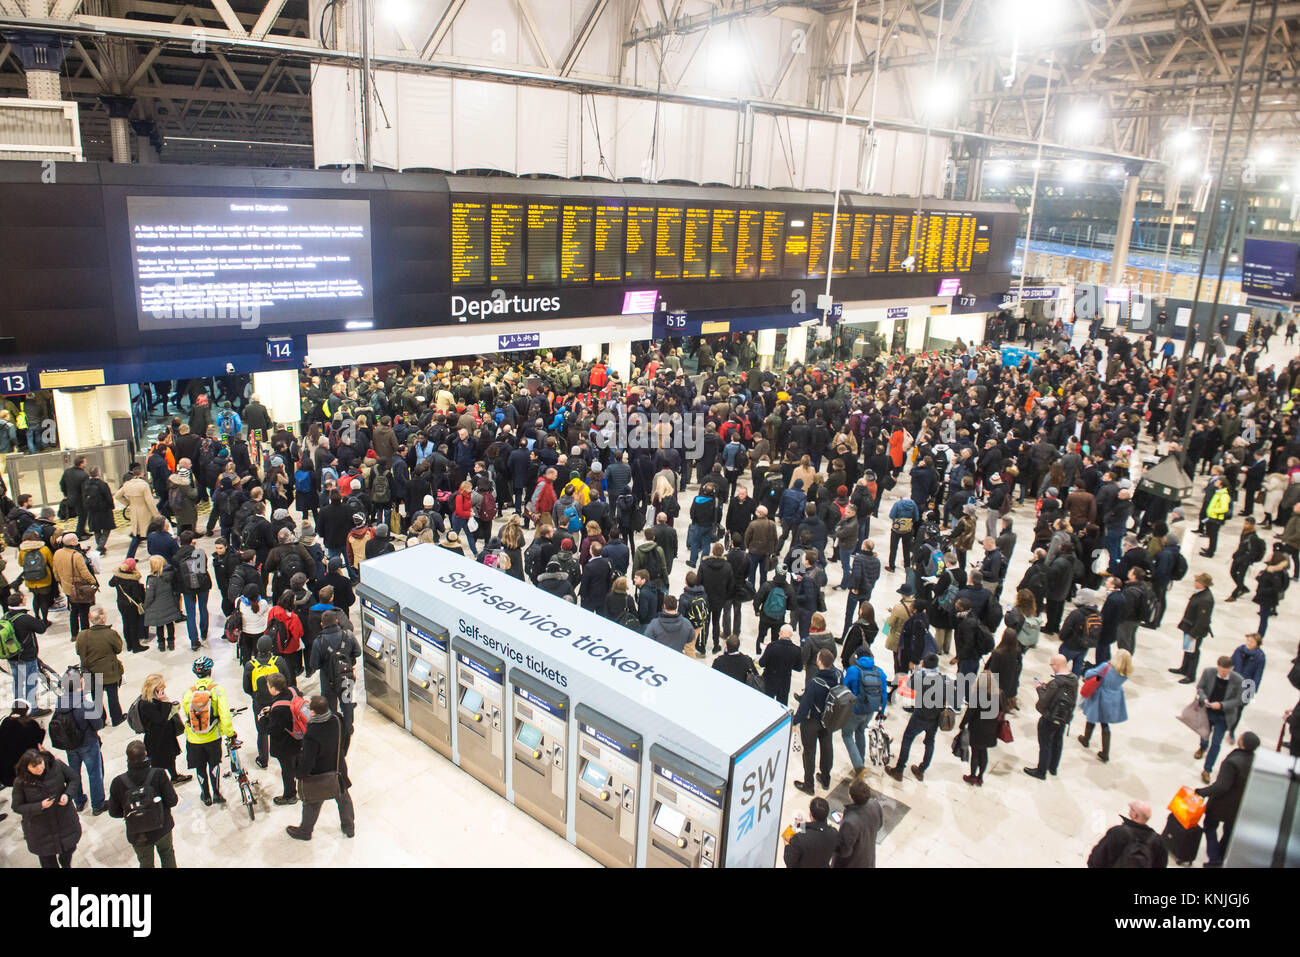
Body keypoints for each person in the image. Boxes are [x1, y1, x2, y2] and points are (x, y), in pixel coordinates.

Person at [285, 695, 355, 841]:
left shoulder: (312, 733)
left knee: (312, 803)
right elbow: (347, 737)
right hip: (338, 768)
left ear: (313, 712)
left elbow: (308, 760)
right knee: (343, 798)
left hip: (320, 774)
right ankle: (349, 827)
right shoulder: (337, 719)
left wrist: (300, 774)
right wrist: (341, 754)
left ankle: (305, 831)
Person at [106, 739, 180, 868]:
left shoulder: (118, 782)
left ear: (127, 758)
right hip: (162, 827)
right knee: (167, 854)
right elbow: (172, 801)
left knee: (145, 863)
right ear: (145, 754)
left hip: (138, 833)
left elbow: (113, 812)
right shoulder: (159, 774)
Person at [1195, 731, 1259, 866]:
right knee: (1229, 832)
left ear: (1242, 743)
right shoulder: (1255, 762)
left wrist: (1202, 792)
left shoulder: (1233, 762)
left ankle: (1214, 859)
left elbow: (1222, 786)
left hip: (1222, 804)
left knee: (1210, 826)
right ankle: (1221, 856)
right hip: (1239, 806)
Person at [11, 747, 82, 868]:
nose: (39, 768)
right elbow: (17, 806)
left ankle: (65, 864)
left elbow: (73, 778)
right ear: (26, 767)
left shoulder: (57, 765)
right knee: (48, 862)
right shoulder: (20, 782)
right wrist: (40, 806)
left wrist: (67, 794)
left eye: (40, 763)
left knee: (69, 849)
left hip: (64, 820)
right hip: (40, 829)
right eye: (34, 766)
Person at [887, 654, 951, 783]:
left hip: (920, 715)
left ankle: (899, 770)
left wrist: (918, 670)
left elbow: (909, 686)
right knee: (930, 742)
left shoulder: (921, 677)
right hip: (935, 717)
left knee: (908, 738)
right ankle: (921, 770)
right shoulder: (944, 679)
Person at [181, 656, 236, 805]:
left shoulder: (188, 692)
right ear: (210, 671)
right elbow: (224, 714)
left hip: (193, 739)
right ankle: (217, 793)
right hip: (212, 736)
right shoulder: (217, 690)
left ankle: (206, 795)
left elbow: (187, 714)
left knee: (200, 767)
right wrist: (229, 733)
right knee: (214, 765)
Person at [51, 669, 107, 814]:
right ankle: (98, 804)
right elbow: (99, 725)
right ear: (80, 684)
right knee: (94, 773)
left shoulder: (59, 703)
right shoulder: (86, 705)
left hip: (70, 745)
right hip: (88, 744)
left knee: (74, 774)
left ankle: (79, 802)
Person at [1024, 653, 1079, 780]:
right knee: (1058, 742)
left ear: (1057, 665)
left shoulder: (1056, 683)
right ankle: (1053, 767)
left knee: (1045, 745)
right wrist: (1047, 687)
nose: (1051, 667)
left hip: (1050, 718)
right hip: (1063, 717)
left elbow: (1043, 702)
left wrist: (1039, 688)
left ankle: (1041, 771)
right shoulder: (1073, 680)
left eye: (1052, 665)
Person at [792, 648, 840, 794]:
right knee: (827, 748)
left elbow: (805, 705)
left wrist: (795, 721)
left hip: (813, 721)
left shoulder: (815, 683)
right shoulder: (838, 675)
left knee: (809, 752)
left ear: (819, 661)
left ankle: (809, 784)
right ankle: (826, 778)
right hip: (829, 718)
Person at [243, 634, 293, 770]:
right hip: (279, 701)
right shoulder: (279, 661)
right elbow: (288, 680)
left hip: (259, 703)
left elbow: (246, 688)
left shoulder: (250, 665)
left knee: (262, 731)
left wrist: (256, 695)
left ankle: (263, 759)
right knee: (282, 728)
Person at [308, 610, 361, 737]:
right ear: (336, 621)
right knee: (347, 704)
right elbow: (358, 652)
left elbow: (314, 665)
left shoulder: (318, 642)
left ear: (322, 624)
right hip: (346, 676)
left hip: (328, 680)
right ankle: (348, 729)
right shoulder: (348, 635)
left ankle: (333, 731)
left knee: (330, 706)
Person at [1195, 656, 1245, 783]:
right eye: (1220, 670)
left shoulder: (1238, 680)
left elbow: (1239, 700)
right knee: (1204, 734)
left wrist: (1222, 705)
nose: (1222, 674)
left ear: (1231, 669)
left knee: (1216, 743)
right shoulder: (1209, 672)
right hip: (1207, 711)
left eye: (1225, 671)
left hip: (1223, 716)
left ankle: (1207, 769)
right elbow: (1200, 687)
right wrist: (1204, 698)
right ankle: (1202, 747)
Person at [1077, 648, 1132, 763]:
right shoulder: (1126, 672)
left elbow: (1089, 673)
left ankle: (1086, 739)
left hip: (1100, 696)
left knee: (1091, 717)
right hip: (1114, 698)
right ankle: (1105, 752)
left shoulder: (1106, 667)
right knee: (1104, 723)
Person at [74, 606, 126, 727]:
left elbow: (78, 651)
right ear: (103, 619)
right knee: (113, 696)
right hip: (109, 672)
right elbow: (118, 649)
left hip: (90, 673)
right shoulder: (110, 634)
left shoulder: (82, 635)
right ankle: (116, 718)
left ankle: (100, 721)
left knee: (96, 698)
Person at [841, 647, 888, 777]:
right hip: (871, 710)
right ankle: (860, 761)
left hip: (856, 710)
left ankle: (859, 766)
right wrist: (881, 711)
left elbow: (844, 689)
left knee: (847, 735)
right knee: (860, 731)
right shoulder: (880, 672)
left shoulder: (853, 671)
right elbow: (884, 693)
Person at [136, 673, 190, 784]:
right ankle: (160, 783)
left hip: (166, 736)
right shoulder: (146, 703)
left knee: (170, 758)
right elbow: (159, 719)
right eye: (162, 685)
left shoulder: (155, 699)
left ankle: (174, 776)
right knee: (158, 763)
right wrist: (165, 701)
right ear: (155, 688)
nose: (164, 687)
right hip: (156, 740)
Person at [3, 591, 50, 712]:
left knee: (17, 683)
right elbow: (41, 628)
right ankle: (32, 709)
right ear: (20, 603)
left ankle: (18, 707)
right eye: (23, 599)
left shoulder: (5, 616)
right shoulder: (24, 618)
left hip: (12, 656)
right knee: (31, 683)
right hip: (26, 657)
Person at [1086, 800, 1168, 868]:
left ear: (1135, 815)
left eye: (1131, 809)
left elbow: (1096, 860)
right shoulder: (1158, 841)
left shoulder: (1118, 832)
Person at [263, 672, 302, 806]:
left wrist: (264, 719)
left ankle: (290, 795)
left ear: (273, 689)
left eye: (268, 686)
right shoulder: (293, 690)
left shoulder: (278, 708)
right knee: (297, 763)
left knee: (287, 769)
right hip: (299, 736)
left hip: (286, 744)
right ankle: (303, 786)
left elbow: (273, 730)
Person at [830, 777, 883, 868]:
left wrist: (832, 837)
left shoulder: (849, 823)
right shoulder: (874, 804)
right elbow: (879, 825)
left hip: (852, 863)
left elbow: (844, 851)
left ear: (850, 796)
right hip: (867, 858)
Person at [1171, 573, 1215, 683]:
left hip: (1194, 630)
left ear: (1203, 584)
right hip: (1189, 627)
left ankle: (1191, 675)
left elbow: (1202, 620)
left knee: (1193, 653)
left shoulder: (1206, 599)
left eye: (1198, 581)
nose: (1195, 583)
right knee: (1187, 650)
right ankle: (1184, 668)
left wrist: (1194, 633)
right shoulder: (1199, 594)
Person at [172, 530, 212, 649]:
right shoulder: (200, 553)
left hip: (186, 588)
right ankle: (204, 632)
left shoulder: (176, 556)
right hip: (203, 585)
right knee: (203, 608)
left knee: (191, 613)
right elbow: (204, 567)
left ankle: (194, 641)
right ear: (192, 542)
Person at [52, 533, 97, 638]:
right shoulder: (76, 556)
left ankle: (74, 634)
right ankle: (85, 635)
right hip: (79, 588)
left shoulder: (57, 553)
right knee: (83, 612)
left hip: (67, 588)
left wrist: (61, 582)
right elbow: (84, 572)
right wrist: (93, 582)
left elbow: (55, 571)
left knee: (73, 611)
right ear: (72, 543)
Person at [783, 796, 838, 869]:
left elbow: (789, 861)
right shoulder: (833, 833)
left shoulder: (799, 839)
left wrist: (787, 840)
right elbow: (810, 835)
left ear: (810, 814)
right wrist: (802, 825)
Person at [142, 553, 183, 652]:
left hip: (157, 607)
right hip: (170, 603)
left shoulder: (152, 579)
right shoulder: (171, 574)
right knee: (170, 624)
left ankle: (161, 645)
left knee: (159, 626)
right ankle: (171, 643)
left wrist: (145, 606)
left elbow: (150, 596)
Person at [757, 624, 802, 706]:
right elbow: (799, 668)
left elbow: (761, 663)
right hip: (784, 682)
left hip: (769, 681)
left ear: (780, 633)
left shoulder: (772, 646)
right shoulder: (796, 650)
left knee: (765, 704)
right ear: (791, 635)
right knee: (781, 707)